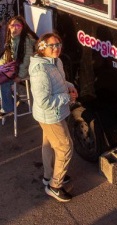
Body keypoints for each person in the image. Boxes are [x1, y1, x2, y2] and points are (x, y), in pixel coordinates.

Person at [30, 32, 77, 202]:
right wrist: (67, 97)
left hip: (55, 112)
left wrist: (69, 87)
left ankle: (48, 176)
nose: (56, 48)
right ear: (42, 48)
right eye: (52, 45)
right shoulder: (40, 70)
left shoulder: (56, 61)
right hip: (50, 115)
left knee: (48, 144)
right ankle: (54, 185)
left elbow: (60, 82)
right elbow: (43, 101)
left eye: (58, 44)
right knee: (65, 148)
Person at [0, 16, 37, 120]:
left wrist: (20, 76)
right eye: (12, 25)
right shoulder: (11, 38)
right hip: (15, 68)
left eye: (18, 25)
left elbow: (26, 61)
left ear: (23, 27)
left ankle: (8, 108)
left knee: (4, 81)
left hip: (25, 71)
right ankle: (11, 100)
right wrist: (2, 66)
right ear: (8, 27)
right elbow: (6, 55)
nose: (14, 28)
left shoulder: (26, 40)